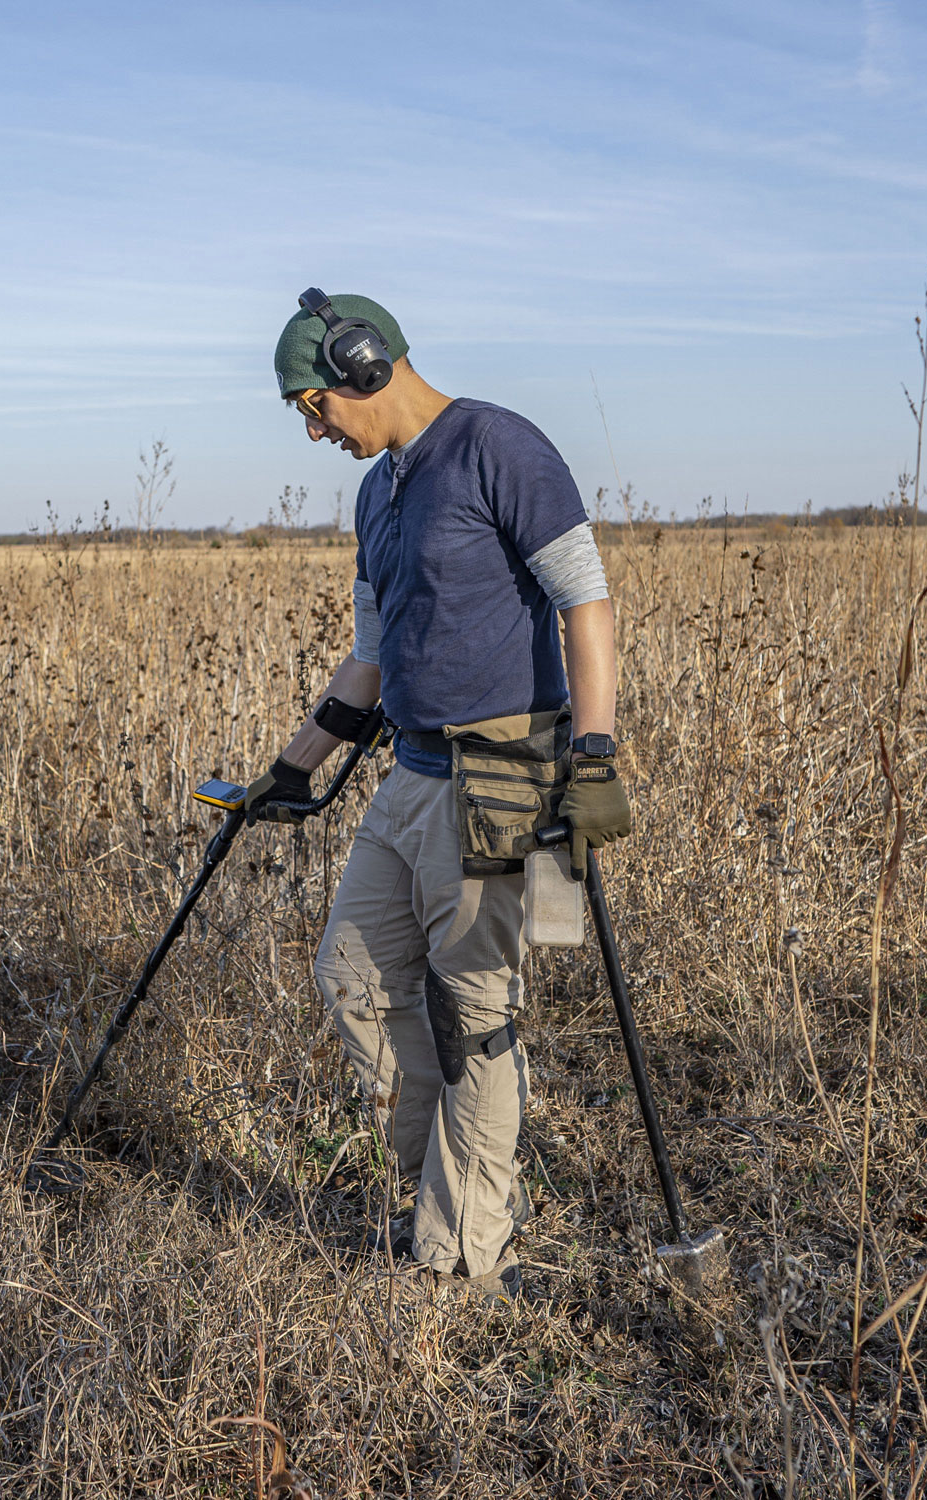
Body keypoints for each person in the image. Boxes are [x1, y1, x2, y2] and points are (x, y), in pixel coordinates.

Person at [247, 289, 632, 1301]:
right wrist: (292, 769)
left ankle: (463, 1258)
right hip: (408, 772)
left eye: (317, 407)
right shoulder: (378, 494)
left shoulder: (501, 448)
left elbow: (584, 600)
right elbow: (370, 656)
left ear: (367, 366)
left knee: (473, 1010)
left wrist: (590, 756)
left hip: (504, 768)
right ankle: (443, 1185)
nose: (317, 431)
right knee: (354, 976)